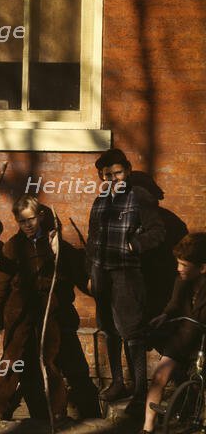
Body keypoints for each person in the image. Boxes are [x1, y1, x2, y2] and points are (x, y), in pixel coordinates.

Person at [0, 195, 81, 422]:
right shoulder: (13, 246)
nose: (27, 225)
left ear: (41, 217)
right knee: (12, 358)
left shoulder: (54, 244)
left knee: (50, 359)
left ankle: (57, 410)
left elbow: (69, 274)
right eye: (22, 221)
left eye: (31, 220)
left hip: (48, 311)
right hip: (18, 311)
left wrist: (58, 251)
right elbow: (0, 282)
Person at [86, 148, 165, 417]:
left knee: (132, 332)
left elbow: (158, 232)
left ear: (127, 171)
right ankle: (119, 383)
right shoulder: (100, 200)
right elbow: (92, 239)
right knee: (108, 328)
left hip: (127, 275)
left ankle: (139, 391)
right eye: (107, 175)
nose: (113, 178)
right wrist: (90, 272)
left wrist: (135, 245)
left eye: (118, 172)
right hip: (101, 273)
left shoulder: (140, 197)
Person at [141, 233, 206, 434]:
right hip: (185, 335)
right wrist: (164, 316)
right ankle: (147, 427)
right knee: (160, 375)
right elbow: (175, 304)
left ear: (202, 268)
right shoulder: (181, 281)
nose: (178, 268)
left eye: (184, 265)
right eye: (178, 263)